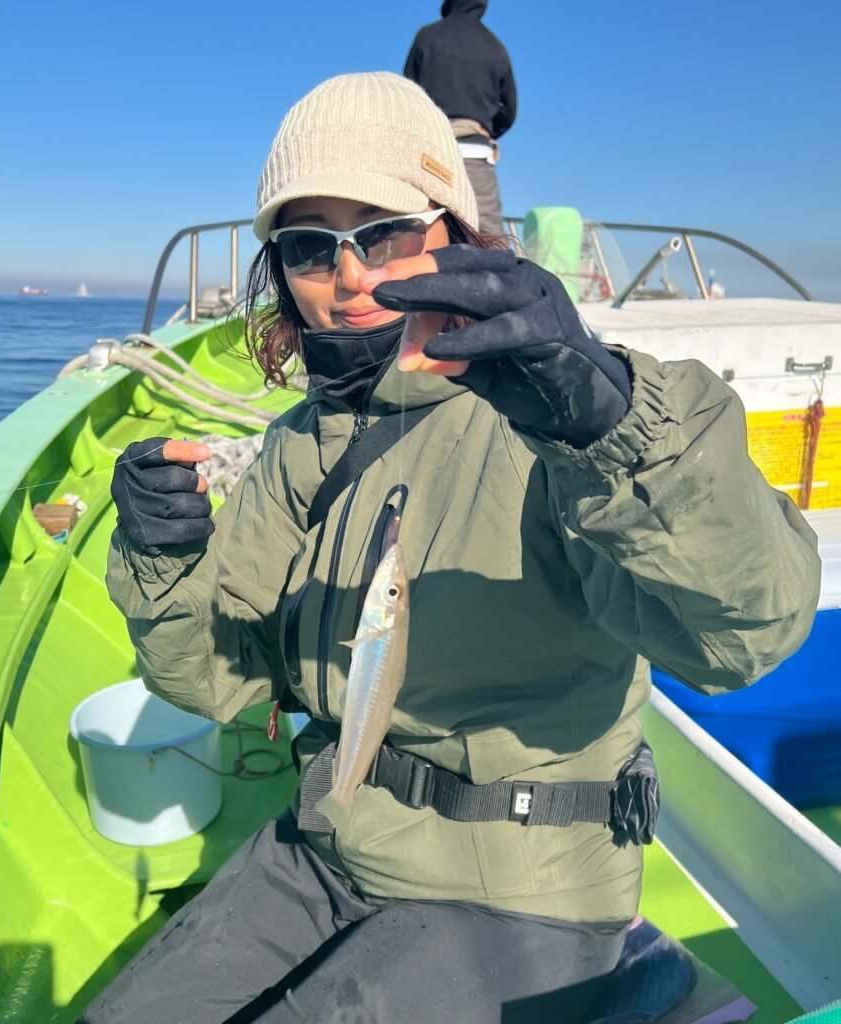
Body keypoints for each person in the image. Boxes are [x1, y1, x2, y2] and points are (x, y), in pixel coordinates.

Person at [83, 72, 820, 1024]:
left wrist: (614, 434)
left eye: (384, 232)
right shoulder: (301, 443)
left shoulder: (559, 415)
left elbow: (747, 635)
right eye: (309, 246)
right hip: (333, 838)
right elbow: (223, 683)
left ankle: (621, 967)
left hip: (524, 886)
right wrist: (165, 561)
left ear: (456, 234)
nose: (349, 278)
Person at [404, 0, 515, 235]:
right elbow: (509, 110)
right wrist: (487, 131)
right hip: (476, 151)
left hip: (430, 151)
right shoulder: (494, 46)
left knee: (423, 231)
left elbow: (408, 92)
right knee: (488, 235)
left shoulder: (427, 37)